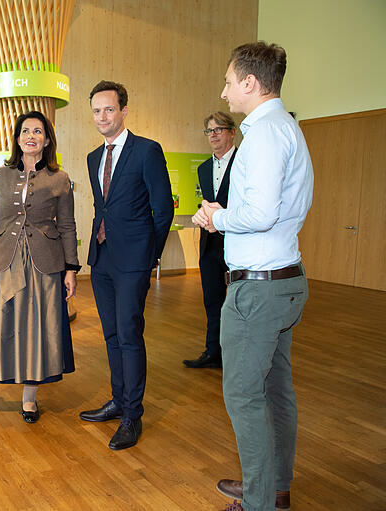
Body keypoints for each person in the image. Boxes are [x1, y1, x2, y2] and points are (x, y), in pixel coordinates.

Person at [192, 42, 313, 511]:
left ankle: (261, 501)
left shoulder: (261, 134)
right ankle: (274, 486)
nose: (224, 92)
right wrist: (229, 212)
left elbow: (260, 212)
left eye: (228, 82)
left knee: (244, 395)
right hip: (285, 279)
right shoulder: (288, 128)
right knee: (274, 390)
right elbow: (282, 208)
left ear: (250, 83)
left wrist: (217, 219)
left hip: (257, 289)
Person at [0, 111, 79, 432]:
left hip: (44, 265)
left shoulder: (60, 178)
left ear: (47, 140)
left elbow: (66, 225)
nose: (31, 136)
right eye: (25, 131)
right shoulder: (2, 176)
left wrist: (71, 269)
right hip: (2, 261)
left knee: (37, 329)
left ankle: (29, 398)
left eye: (38, 131)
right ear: (18, 138)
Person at [79, 80, 174, 450]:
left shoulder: (147, 151)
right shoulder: (92, 158)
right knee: (111, 335)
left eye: (109, 109)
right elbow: (104, 208)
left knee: (130, 336)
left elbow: (162, 210)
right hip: (102, 259)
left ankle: (133, 414)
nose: (102, 116)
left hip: (134, 261)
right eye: (97, 111)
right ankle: (118, 400)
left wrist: (150, 256)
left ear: (123, 112)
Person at [183, 111, 237, 369]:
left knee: (237, 302)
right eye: (209, 131)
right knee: (212, 300)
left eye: (219, 129)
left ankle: (234, 355)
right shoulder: (204, 168)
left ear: (232, 132)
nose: (213, 135)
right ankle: (212, 351)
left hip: (237, 242)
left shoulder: (244, 163)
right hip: (209, 244)